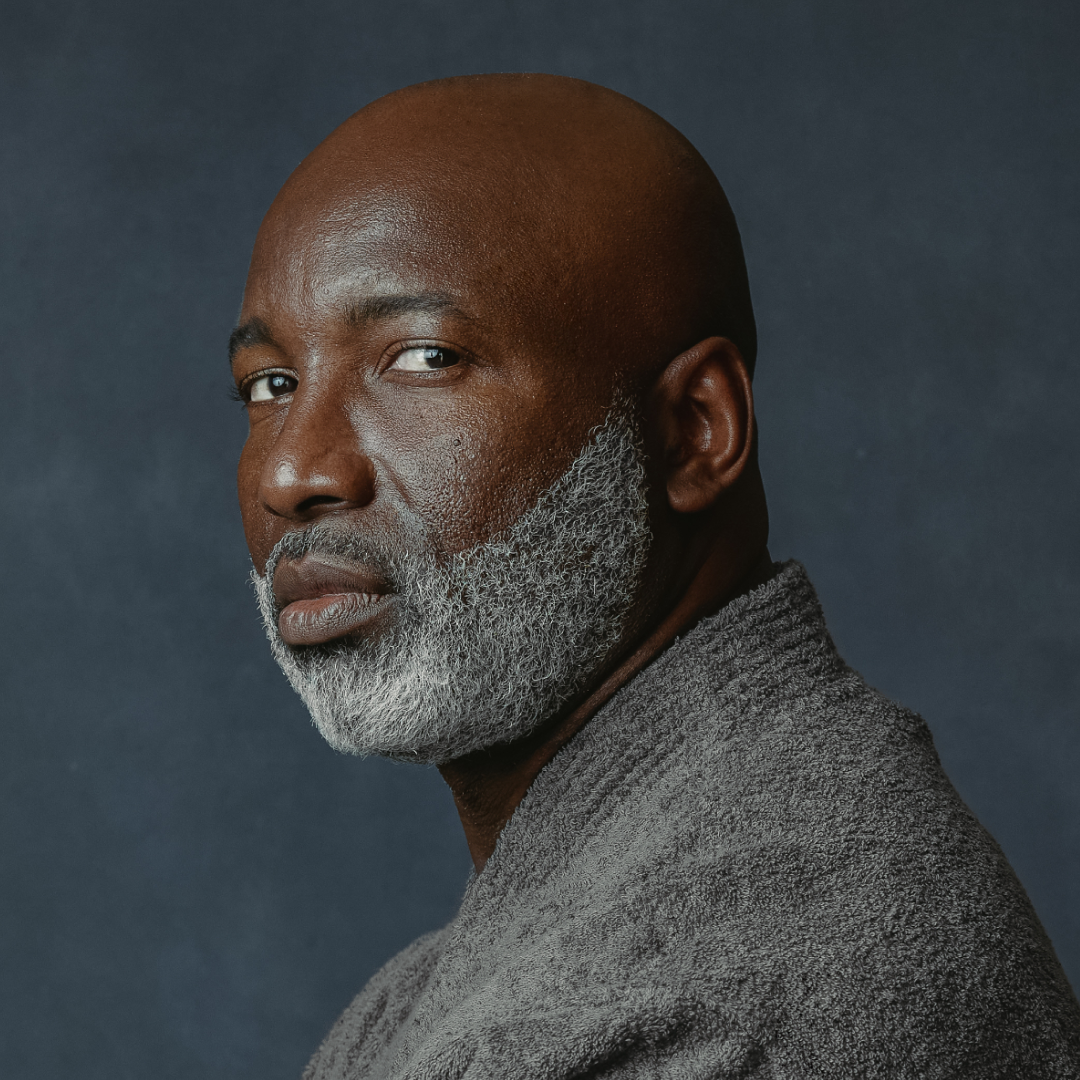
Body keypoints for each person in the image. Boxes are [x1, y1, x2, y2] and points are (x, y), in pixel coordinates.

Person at [229, 73, 1080, 1079]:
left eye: (422, 359)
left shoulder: (723, 989)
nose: (293, 472)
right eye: (270, 384)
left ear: (693, 432)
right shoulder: (487, 972)